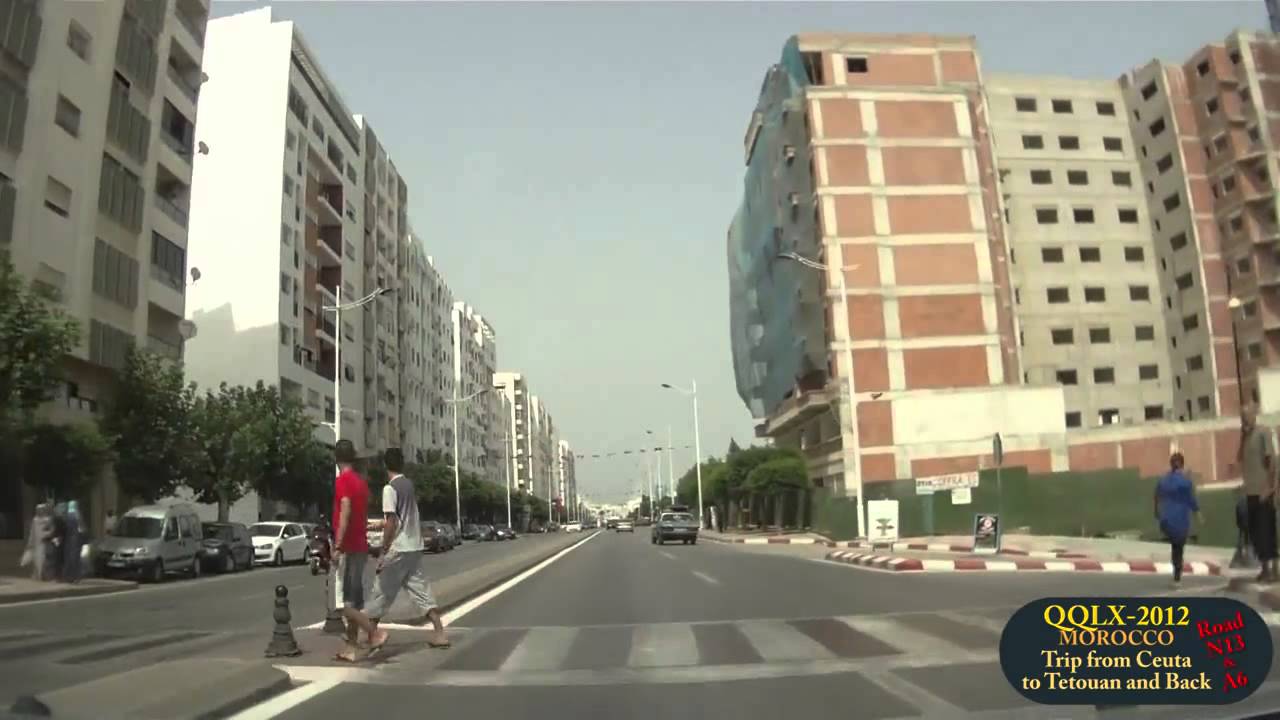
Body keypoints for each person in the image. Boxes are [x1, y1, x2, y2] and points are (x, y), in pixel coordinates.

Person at [364, 448, 450, 649]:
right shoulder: (409, 485)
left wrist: (383, 548)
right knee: (421, 591)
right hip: (415, 547)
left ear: (386, 465)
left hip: (399, 547)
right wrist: (379, 525)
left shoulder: (389, 488)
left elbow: (392, 521)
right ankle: (439, 632)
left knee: (381, 590)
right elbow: (401, 518)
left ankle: (373, 635)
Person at [331, 439, 386, 662]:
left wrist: (337, 544)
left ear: (336, 459)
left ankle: (375, 633)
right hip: (361, 546)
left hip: (349, 547)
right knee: (353, 600)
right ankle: (351, 648)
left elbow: (345, 510)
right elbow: (361, 512)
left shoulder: (343, 480)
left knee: (342, 604)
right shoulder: (361, 483)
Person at [1239, 408, 1278, 582]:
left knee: (1266, 531)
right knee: (1255, 531)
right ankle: (1264, 568)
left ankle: (1272, 569)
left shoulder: (1263, 433)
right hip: (1251, 492)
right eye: (1242, 417)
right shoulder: (1246, 437)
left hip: (1263, 492)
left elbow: (1271, 462)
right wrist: (1242, 436)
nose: (1244, 420)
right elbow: (1239, 457)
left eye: (1247, 416)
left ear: (1253, 416)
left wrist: (1269, 487)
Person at [1154, 453, 1200, 586]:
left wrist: (1157, 511)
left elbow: (1156, 495)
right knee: (1178, 548)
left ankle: (1176, 573)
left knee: (1175, 546)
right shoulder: (1185, 482)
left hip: (1167, 520)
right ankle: (1177, 576)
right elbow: (1191, 500)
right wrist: (1198, 514)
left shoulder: (1163, 480)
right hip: (1180, 520)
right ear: (1182, 464)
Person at [21, 504, 51, 581]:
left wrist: (47, 536)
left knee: (43, 559)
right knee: (37, 560)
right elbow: (32, 532)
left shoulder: (48, 520)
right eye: (38, 510)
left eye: (41, 510)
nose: (40, 511)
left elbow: (50, 531)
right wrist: (30, 543)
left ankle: (41, 575)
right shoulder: (35, 520)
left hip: (44, 542)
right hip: (37, 543)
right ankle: (38, 575)